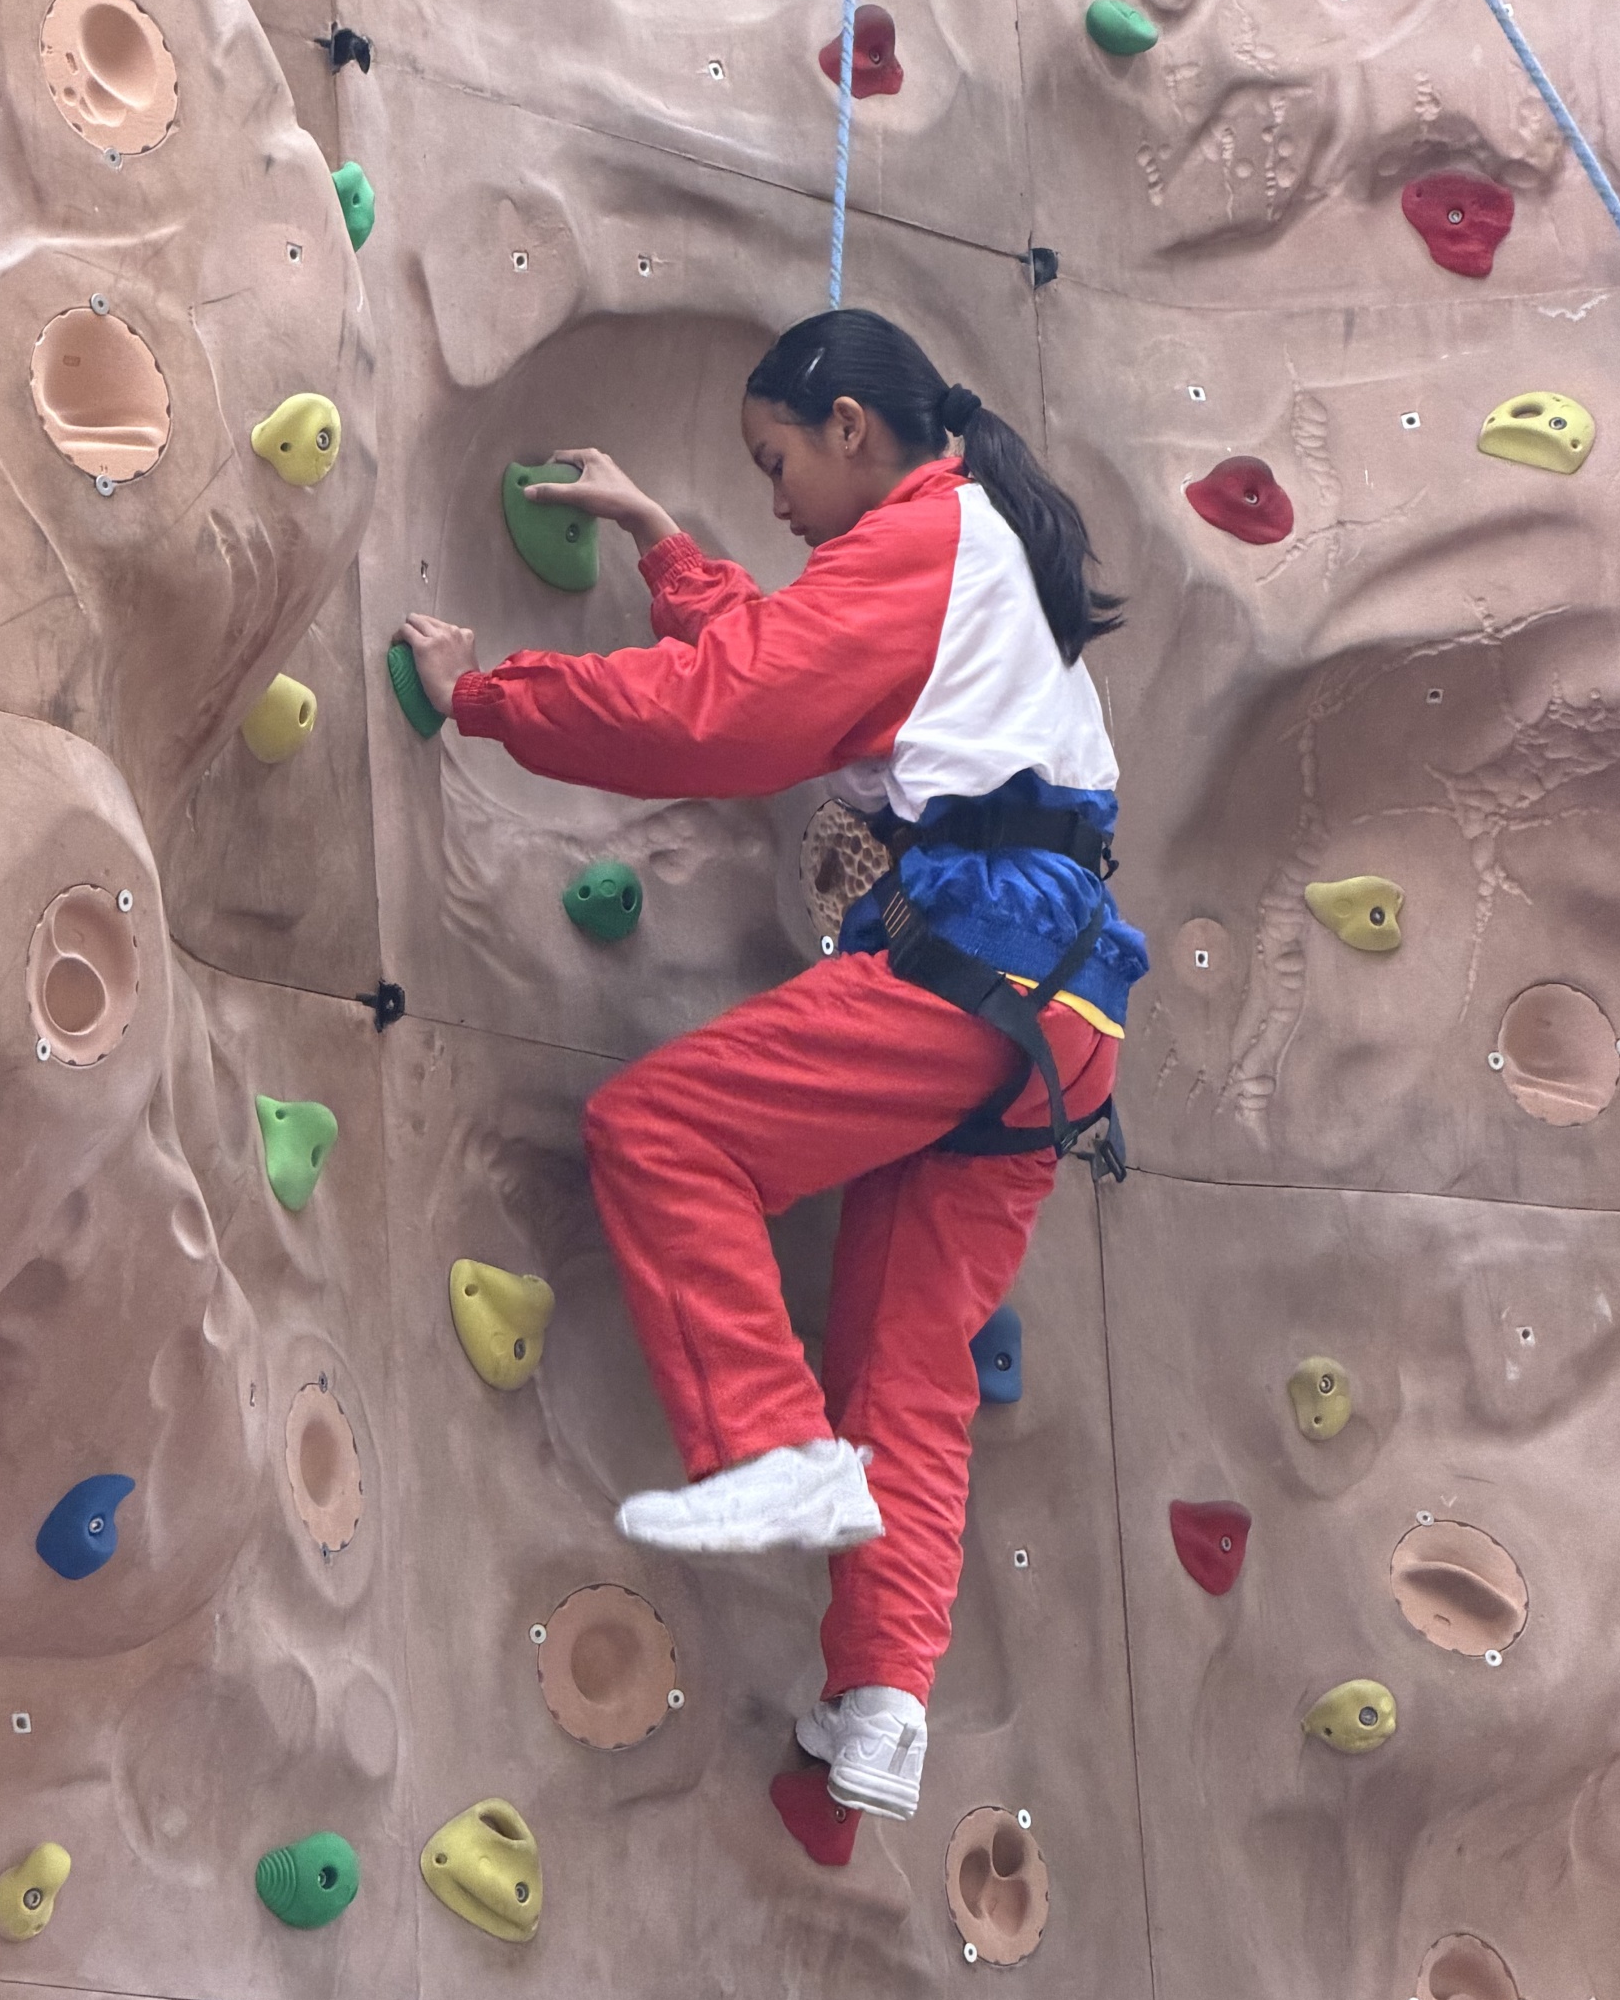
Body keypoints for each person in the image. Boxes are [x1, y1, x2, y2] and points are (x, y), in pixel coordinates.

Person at [400, 308, 1148, 1825]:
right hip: (1064, 1023)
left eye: (775, 462)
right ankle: (881, 1713)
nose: (780, 499)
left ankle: (769, 1450)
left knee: (664, 1132)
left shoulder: (930, 538)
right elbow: (789, 662)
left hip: (975, 959)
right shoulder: (979, 552)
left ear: (850, 428)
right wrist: (665, 545)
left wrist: (491, 697)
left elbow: (735, 709)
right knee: (910, 1374)